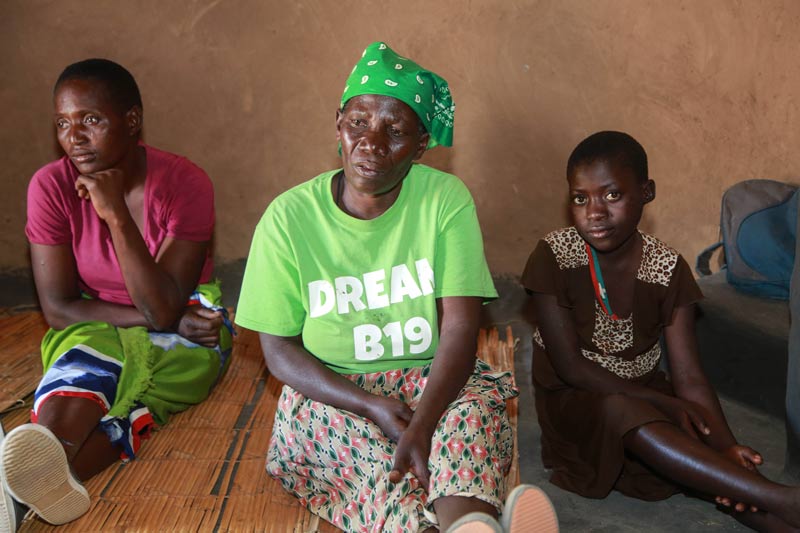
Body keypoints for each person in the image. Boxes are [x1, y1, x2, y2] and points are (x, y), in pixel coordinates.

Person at [235, 42, 558, 533]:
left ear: (422, 145)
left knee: (472, 411)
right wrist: (367, 404)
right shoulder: (288, 218)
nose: (372, 143)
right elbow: (277, 349)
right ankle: (457, 527)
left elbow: (458, 329)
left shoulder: (444, 201)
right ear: (337, 124)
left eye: (396, 131)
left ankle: (467, 520)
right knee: (350, 446)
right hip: (335, 390)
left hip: (431, 379)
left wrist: (425, 420)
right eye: (358, 122)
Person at [521, 130, 800, 531]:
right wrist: (665, 404)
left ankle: (777, 509)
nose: (594, 212)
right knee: (637, 417)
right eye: (581, 198)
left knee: (718, 474)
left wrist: (725, 445)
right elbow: (571, 368)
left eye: (612, 195)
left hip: (649, 398)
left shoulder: (667, 267)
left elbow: (689, 378)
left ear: (646, 192)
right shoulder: (555, 255)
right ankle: (778, 496)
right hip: (578, 406)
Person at [0, 58, 232, 529]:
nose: (75, 137)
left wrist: (115, 215)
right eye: (63, 123)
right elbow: (60, 307)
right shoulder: (51, 186)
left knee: (174, 365)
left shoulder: (186, 183)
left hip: (189, 314)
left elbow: (165, 304)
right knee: (85, 360)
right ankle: (43, 474)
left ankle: (19, 493)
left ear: (131, 121)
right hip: (97, 315)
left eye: (91, 120)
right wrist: (162, 319)